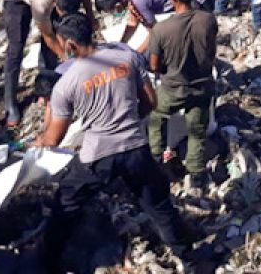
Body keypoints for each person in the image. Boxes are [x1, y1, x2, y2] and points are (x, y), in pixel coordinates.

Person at [36, 15, 199, 271]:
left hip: (97, 157)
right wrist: (130, 121)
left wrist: (39, 141)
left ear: (69, 44)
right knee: (158, 204)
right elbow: (150, 102)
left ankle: (46, 262)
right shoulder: (127, 58)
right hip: (135, 148)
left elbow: (54, 138)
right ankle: (189, 256)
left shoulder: (66, 84)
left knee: (65, 207)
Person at [0, 0, 92, 126]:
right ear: (55, 4)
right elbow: (48, 36)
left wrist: (91, 17)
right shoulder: (41, 3)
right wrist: (68, 60)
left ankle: (46, 86)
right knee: (16, 47)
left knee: (54, 36)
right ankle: (10, 104)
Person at [147, 0, 217, 180]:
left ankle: (157, 157)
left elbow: (154, 65)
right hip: (202, 86)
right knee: (197, 129)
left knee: (156, 116)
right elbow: (211, 52)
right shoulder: (208, 20)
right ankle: (195, 173)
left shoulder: (161, 29)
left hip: (173, 88)